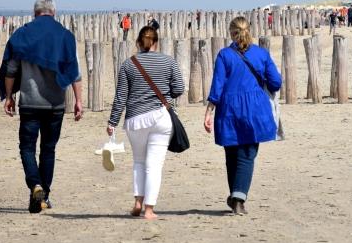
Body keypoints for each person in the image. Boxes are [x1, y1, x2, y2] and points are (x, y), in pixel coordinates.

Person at [0, 0, 82, 213]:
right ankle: (44, 194)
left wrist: (8, 96)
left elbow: (11, 70)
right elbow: (75, 73)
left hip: (29, 103)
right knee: (48, 149)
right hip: (55, 105)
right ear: (53, 13)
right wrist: (79, 101)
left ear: (35, 13)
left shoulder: (23, 34)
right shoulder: (64, 36)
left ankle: (35, 185)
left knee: (27, 147)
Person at [203, 16, 282, 215]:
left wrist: (209, 111)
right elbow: (276, 82)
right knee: (247, 155)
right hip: (254, 109)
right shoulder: (261, 54)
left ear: (231, 33)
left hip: (229, 109)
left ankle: (236, 196)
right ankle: (238, 198)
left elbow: (217, 85)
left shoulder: (224, 55)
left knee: (232, 154)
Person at [107, 25, 184, 220]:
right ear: (156, 42)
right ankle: (149, 209)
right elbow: (180, 88)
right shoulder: (169, 61)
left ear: (138, 43)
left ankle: (137, 203)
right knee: (154, 165)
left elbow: (121, 97)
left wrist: (112, 121)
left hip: (135, 119)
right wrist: (167, 96)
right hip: (160, 116)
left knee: (139, 162)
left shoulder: (128, 64)